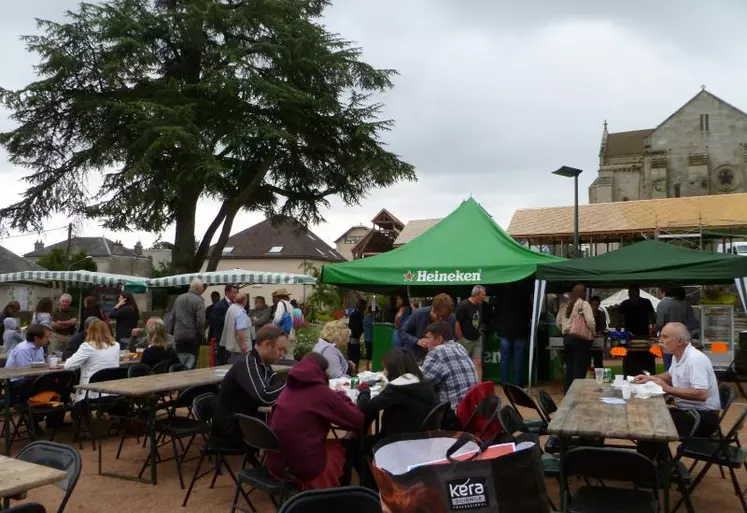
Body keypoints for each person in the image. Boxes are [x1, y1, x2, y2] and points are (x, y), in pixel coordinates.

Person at [267, 353, 364, 489]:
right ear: (321, 371)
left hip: (276, 464)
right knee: (346, 443)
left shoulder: (287, 388)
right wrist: (341, 396)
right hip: (305, 467)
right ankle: (343, 493)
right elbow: (357, 420)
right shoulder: (320, 392)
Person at [635, 322, 721, 438]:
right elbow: (670, 375)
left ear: (680, 341)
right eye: (661, 336)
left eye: (665, 337)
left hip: (702, 418)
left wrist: (667, 389)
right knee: (649, 415)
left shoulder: (694, 359)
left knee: (649, 423)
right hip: (690, 412)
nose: (660, 340)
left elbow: (701, 394)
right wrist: (650, 378)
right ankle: (656, 455)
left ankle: (655, 455)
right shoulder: (678, 356)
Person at [213, 325, 289, 447]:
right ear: (267, 345)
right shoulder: (248, 364)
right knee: (290, 438)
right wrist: (292, 381)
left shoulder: (263, 364)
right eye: (281, 349)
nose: (283, 354)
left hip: (247, 423)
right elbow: (264, 397)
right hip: (232, 431)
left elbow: (273, 390)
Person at [358, 347, 437, 438]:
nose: (384, 373)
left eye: (385, 369)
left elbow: (365, 408)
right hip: (420, 439)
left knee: (350, 445)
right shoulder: (424, 383)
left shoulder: (397, 389)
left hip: (396, 441)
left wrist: (364, 390)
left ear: (393, 370)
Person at [421, 321, 477, 412]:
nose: (425, 341)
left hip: (453, 414)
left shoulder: (438, 351)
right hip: (470, 411)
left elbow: (421, 383)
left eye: (427, 338)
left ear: (439, 339)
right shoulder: (459, 347)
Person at [64, 319, 121, 404]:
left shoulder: (88, 346)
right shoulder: (116, 345)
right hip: (111, 390)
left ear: (89, 331)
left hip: (91, 393)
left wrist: (82, 362)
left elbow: (68, 366)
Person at [556, 284, 596, 393]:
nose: (585, 294)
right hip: (581, 340)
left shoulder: (565, 304)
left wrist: (565, 331)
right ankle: (576, 394)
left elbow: (558, 322)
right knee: (579, 368)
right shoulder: (584, 304)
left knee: (570, 367)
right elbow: (590, 321)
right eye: (584, 292)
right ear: (581, 292)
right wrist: (593, 332)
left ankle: (567, 393)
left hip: (567, 339)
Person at [398, 293, 458, 362]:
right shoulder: (418, 314)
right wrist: (417, 341)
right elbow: (401, 332)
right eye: (438, 316)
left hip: (440, 358)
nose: (441, 319)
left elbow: (452, 338)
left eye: (445, 317)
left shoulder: (451, 318)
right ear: (432, 309)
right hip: (416, 357)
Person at [494, 283, 532, 385]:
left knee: (504, 359)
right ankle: (518, 383)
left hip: (504, 330)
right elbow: (530, 313)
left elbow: (496, 314)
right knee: (518, 359)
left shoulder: (501, 296)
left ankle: (504, 382)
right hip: (520, 330)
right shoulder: (525, 296)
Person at [657, 287, 698, 370]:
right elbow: (692, 325)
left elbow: (659, 324)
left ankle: (671, 382)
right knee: (684, 367)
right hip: (684, 342)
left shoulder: (662, 304)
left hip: (667, 342)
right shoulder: (686, 305)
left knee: (669, 366)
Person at [619, 285, 656, 376]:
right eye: (630, 293)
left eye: (633, 292)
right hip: (630, 335)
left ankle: (645, 373)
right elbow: (619, 319)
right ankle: (629, 373)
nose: (631, 294)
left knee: (644, 354)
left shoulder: (646, 302)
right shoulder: (625, 304)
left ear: (638, 293)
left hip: (643, 334)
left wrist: (652, 327)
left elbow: (652, 317)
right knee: (630, 355)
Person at [170, 279, 206, 360]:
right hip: (192, 337)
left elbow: (172, 317)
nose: (203, 289)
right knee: (191, 361)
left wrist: (170, 333)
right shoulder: (199, 301)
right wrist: (202, 336)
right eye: (202, 288)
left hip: (178, 336)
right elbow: (201, 321)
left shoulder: (179, 298)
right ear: (197, 288)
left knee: (179, 360)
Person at [455, 286, 486, 380]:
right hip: (466, 340)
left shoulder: (479, 305)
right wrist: (461, 339)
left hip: (477, 338)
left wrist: (479, 330)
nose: (484, 297)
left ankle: (478, 387)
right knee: (463, 364)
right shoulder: (463, 305)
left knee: (478, 362)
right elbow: (456, 323)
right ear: (477, 295)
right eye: (483, 295)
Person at [209, 285, 238, 365]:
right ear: (227, 292)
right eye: (234, 292)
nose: (236, 294)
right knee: (222, 361)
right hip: (223, 338)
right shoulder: (219, 305)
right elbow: (215, 321)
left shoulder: (235, 304)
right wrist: (230, 317)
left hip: (232, 338)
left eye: (236, 292)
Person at [219, 294, 252, 364]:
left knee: (234, 366)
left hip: (232, 344)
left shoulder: (231, 308)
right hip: (239, 347)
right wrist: (243, 345)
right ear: (244, 301)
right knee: (241, 367)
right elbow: (240, 330)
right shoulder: (240, 312)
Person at [271, 288, 296, 358]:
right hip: (291, 333)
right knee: (289, 355)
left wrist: (272, 327)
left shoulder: (281, 303)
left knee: (280, 355)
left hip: (283, 334)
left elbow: (278, 319)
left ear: (279, 297)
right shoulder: (290, 305)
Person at [347, 298, 366, 371]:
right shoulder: (355, 314)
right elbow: (355, 328)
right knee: (354, 356)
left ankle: (355, 370)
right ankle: (354, 370)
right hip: (353, 338)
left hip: (355, 338)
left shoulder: (358, 314)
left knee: (355, 356)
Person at [588, 296, 606, 369]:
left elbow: (603, 326)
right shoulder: (586, 313)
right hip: (587, 338)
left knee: (598, 360)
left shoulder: (601, 313)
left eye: (596, 305)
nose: (595, 307)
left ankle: (599, 375)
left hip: (597, 339)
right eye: (593, 305)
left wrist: (599, 332)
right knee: (586, 360)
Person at [363, 305, 375, 370]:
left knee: (368, 352)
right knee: (369, 353)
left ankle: (367, 366)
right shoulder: (372, 318)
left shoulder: (365, 317)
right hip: (371, 338)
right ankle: (367, 367)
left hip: (367, 337)